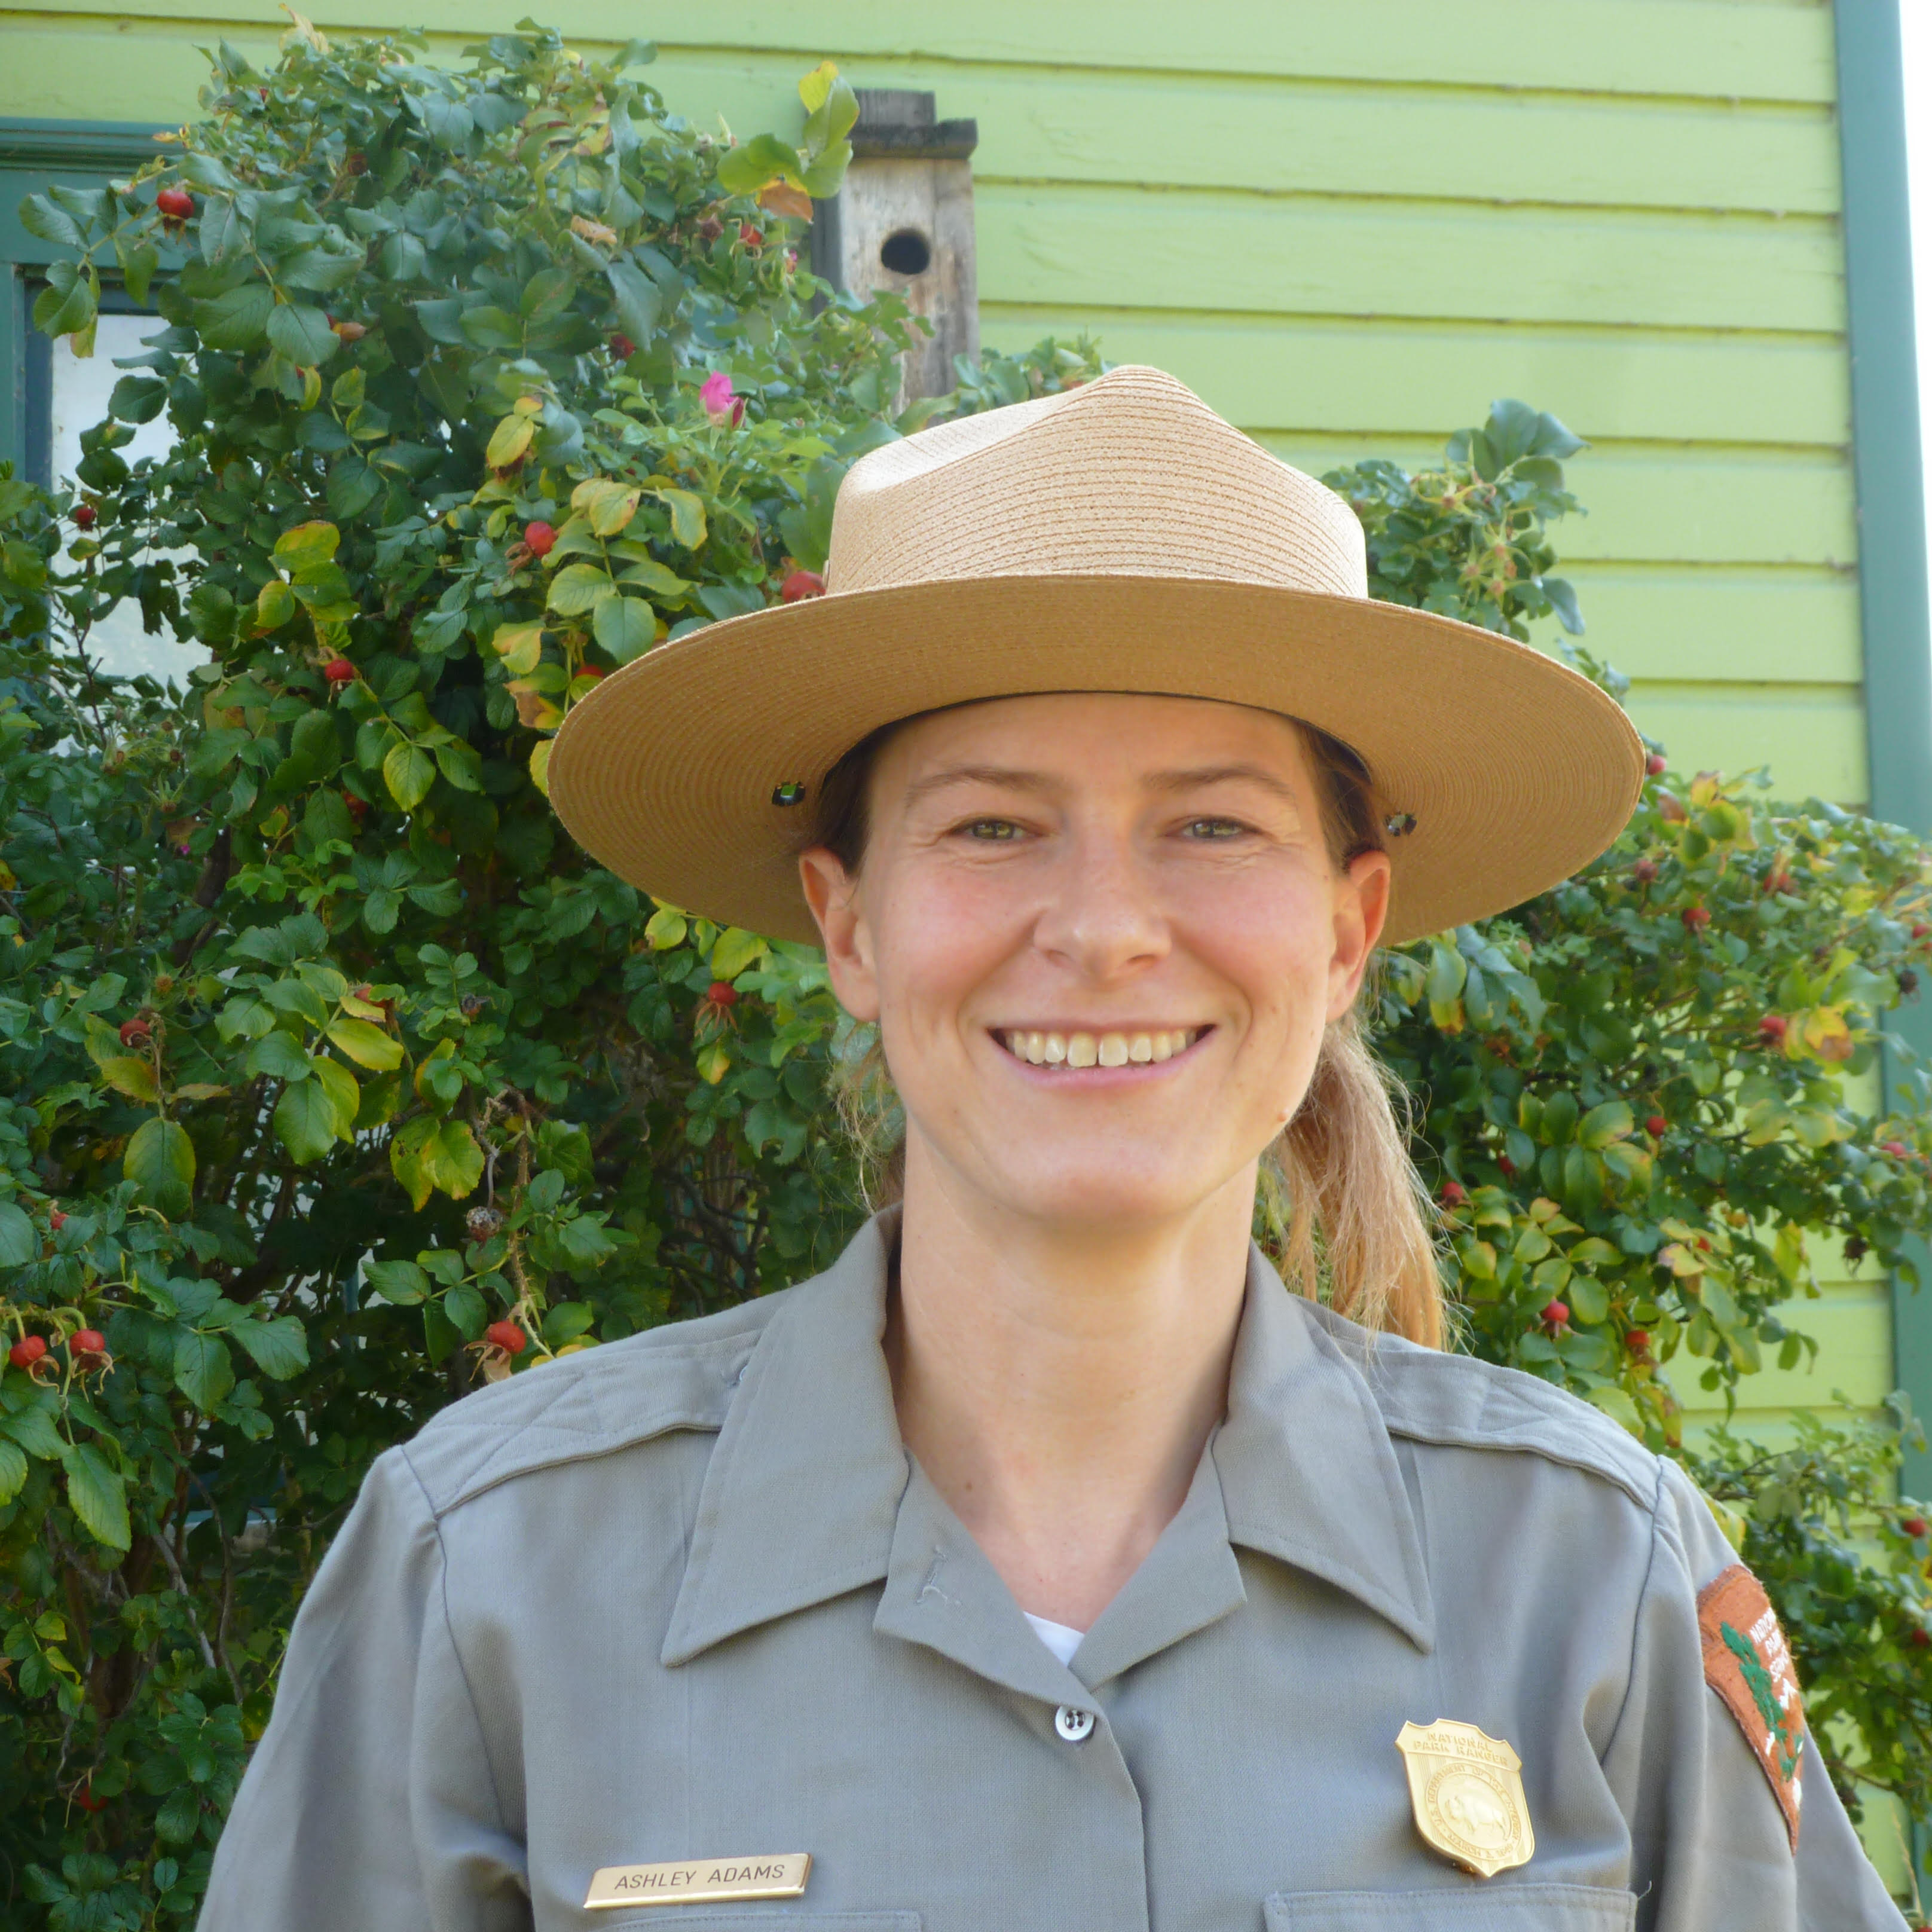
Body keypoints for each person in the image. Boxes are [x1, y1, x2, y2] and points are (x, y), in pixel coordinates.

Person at [198, 367, 1906, 1931]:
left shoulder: (1598, 1582)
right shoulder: (491, 1577)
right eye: (995, 825)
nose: (1101, 930)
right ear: (849, 921)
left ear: (1346, 930)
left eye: (1213, 825)